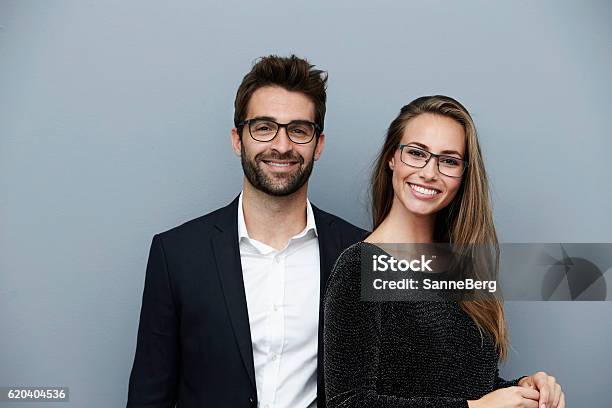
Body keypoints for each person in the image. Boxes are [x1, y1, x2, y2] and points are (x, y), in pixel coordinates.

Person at [127, 55, 366, 408]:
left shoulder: (360, 252)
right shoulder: (176, 255)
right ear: (238, 140)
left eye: (299, 130)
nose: (282, 146)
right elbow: (150, 396)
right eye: (264, 127)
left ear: (319, 145)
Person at [323, 95, 565, 408]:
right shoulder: (359, 266)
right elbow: (348, 404)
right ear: (391, 158)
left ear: (464, 175)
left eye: (448, 161)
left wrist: (523, 389)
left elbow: (467, 385)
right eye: (416, 153)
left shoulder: (464, 267)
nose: (429, 172)